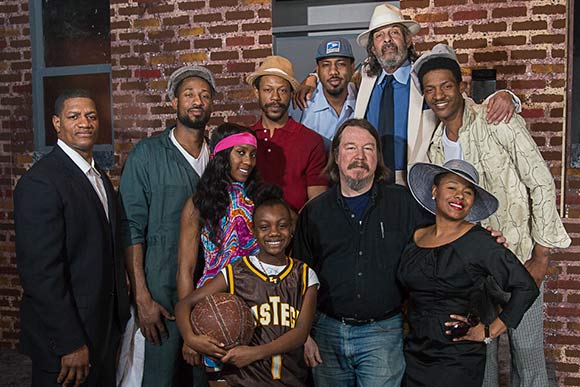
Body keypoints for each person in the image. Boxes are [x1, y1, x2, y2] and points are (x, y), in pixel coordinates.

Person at [416, 43, 572, 387]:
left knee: (528, 357)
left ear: (461, 87)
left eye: (445, 85)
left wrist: (542, 257)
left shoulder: (495, 118)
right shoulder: (436, 145)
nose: (439, 95)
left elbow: (541, 182)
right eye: (430, 89)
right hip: (472, 271)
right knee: (479, 357)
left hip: (517, 261)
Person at [294, 3, 519, 185]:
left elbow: (459, 103)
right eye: (380, 36)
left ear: (408, 39)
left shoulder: (424, 76)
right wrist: (312, 77)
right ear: (372, 47)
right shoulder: (365, 78)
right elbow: (336, 74)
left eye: (394, 33)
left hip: (415, 181)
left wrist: (506, 97)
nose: (388, 40)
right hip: (371, 181)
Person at [293, 118, 430, 387]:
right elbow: (299, 277)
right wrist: (304, 335)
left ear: (378, 157)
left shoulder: (403, 203)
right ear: (336, 155)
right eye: (351, 148)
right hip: (326, 331)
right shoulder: (314, 212)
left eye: (368, 149)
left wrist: (477, 237)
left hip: (382, 332)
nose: (359, 156)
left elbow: (440, 238)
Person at [14, 89, 130, 387]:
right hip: (66, 343)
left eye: (91, 116)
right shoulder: (41, 181)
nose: (85, 123)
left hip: (101, 332)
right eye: (74, 116)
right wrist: (69, 342)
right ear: (56, 123)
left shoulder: (98, 176)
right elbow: (41, 274)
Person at [399, 159, 539, 387]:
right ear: (435, 191)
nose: (460, 196)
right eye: (452, 187)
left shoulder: (479, 241)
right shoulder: (416, 237)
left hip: (456, 357)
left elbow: (526, 287)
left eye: (468, 192)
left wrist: (489, 331)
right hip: (414, 352)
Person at [118, 65, 216, 387]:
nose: (196, 101)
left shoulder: (218, 158)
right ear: (175, 102)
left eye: (204, 95)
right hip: (161, 292)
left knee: (201, 375)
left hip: (207, 289)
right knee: (159, 376)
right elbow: (131, 229)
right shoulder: (147, 155)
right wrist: (142, 297)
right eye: (188, 94)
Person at [175, 185, 318, 386]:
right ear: (253, 231)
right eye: (264, 227)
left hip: (290, 379)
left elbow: (301, 333)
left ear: (291, 228)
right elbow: (183, 305)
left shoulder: (305, 275)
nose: (274, 233)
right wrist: (190, 338)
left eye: (282, 225)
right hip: (243, 381)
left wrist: (254, 353)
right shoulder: (236, 272)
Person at [177, 123, 268, 368]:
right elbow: (186, 269)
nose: (248, 160)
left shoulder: (261, 199)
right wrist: (189, 333)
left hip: (258, 302)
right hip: (213, 307)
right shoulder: (198, 204)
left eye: (252, 153)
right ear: (221, 155)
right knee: (220, 377)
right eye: (240, 152)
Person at [247, 55, 328, 214]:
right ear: (257, 92)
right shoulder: (245, 140)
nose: (275, 97)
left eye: (283, 90)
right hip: (248, 234)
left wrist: (292, 227)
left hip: (298, 232)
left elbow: (318, 202)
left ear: (292, 93)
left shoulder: (311, 141)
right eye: (268, 90)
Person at [290, 37, 357, 151]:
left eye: (340, 64)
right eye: (326, 65)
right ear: (317, 69)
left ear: (352, 68)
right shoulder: (301, 103)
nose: (333, 72)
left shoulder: (364, 98)